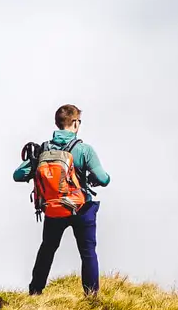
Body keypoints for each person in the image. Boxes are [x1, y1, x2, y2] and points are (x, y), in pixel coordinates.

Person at [15, 104, 111, 296]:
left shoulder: (43, 149)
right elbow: (104, 179)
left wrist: (37, 168)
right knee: (88, 252)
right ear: (75, 123)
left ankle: (35, 291)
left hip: (53, 208)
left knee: (47, 249)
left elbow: (18, 175)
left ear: (57, 124)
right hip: (81, 208)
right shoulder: (84, 150)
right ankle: (91, 296)